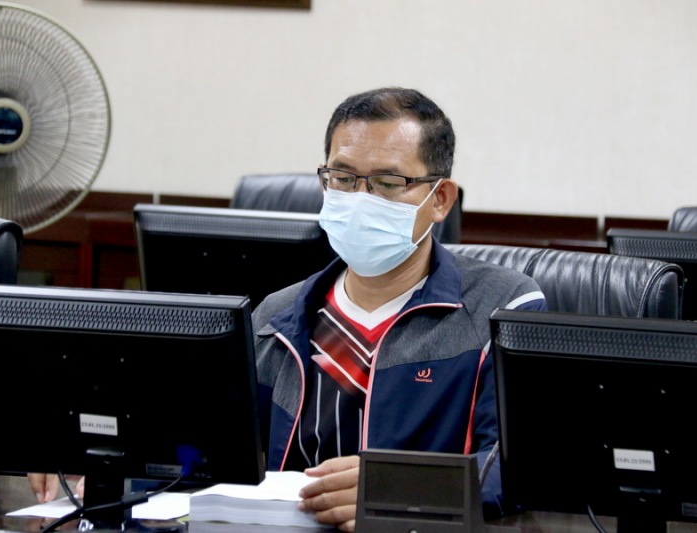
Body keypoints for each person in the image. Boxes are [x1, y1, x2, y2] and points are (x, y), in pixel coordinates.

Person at [28, 86, 547, 531]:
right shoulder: (278, 319)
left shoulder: (501, 307)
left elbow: (526, 466)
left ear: (440, 199)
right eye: (343, 178)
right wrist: (106, 464)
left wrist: (398, 490)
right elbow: (198, 454)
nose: (360, 198)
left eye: (387, 183)